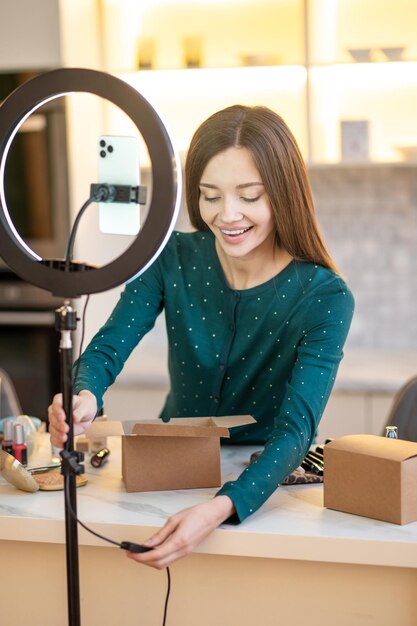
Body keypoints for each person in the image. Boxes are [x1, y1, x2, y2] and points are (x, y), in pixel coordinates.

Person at [48, 104, 354, 569]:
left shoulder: (325, 296)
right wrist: (84, 394)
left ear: (284, 193)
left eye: (249, 196)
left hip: (262, 476)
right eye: (210, 195)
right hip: (173, 465)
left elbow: (296, 432)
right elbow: (110, 346)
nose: (226, 215)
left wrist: (220, 507)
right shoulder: (169, 255)